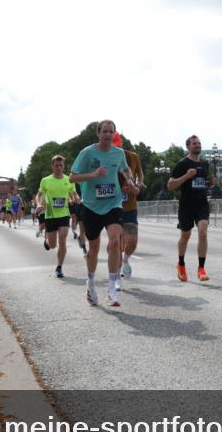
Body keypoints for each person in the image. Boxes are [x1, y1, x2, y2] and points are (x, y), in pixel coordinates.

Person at [70, 119, 139, 307]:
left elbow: (125, 169)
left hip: (113, 203)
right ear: (98, 134)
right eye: (105, 131)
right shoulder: (87, 153)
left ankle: (111, 290)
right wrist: (92, 175)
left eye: (111, 132)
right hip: (91, 206)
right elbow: (73, 177)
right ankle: (91, 283)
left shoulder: (118, 153)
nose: (108, 134)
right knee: (94, 248)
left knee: (115, 241)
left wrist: (129, 180)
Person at [168, 135, 212, 282]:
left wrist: (210, 183)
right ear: (188, 146)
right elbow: (170, 185)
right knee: (185, 236)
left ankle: (201, 269)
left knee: (203, 232)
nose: (197, 145)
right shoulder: (182, 164)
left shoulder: (205, 164)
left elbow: (203, 183)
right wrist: (186, 176)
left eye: (199, 143)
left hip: (202, 204)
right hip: (186, 206)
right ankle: (181, 264)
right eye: (194, 144)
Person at [35, 155, 77, 278]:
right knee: (53, 245)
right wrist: (39, 204)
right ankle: (47, 241)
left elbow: (73, 194)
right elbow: (38, 195)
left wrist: (75, 199)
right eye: (56, 165)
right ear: (52, 166)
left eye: (61, 165)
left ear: (64, 166)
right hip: (50, 216)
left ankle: (59, 267)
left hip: (64, 214)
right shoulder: (45, 180)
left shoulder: (69, 179)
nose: (59, 167)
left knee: (62, 239)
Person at [113, 132, 144, 288]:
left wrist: (138, 185)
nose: (115, 148)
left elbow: (140, 175)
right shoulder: (105, 158)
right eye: (112, 146)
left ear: (122, 143)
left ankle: (125, 259)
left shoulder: (133, 157)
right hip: (113, 206)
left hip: (130, 205)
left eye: (117, 145)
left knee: (132, 242)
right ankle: (116, 276)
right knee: (117, 242)